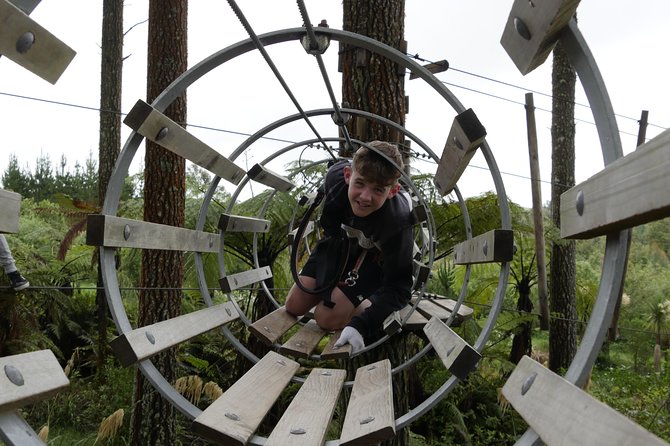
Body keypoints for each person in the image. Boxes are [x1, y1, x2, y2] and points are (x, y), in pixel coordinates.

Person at [285, 141, 415, 353]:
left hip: (374, 257)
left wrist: (362, 325)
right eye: (360, 183)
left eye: (378, 190)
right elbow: (330, 225)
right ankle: (338, 290)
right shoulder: (335, 180)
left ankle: (362, 300)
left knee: (325, 318)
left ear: (393, 191)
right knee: (294, 305)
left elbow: (400, 287)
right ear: (347, 175)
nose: (365, 197)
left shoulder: (396, 223)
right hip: (339, 242)